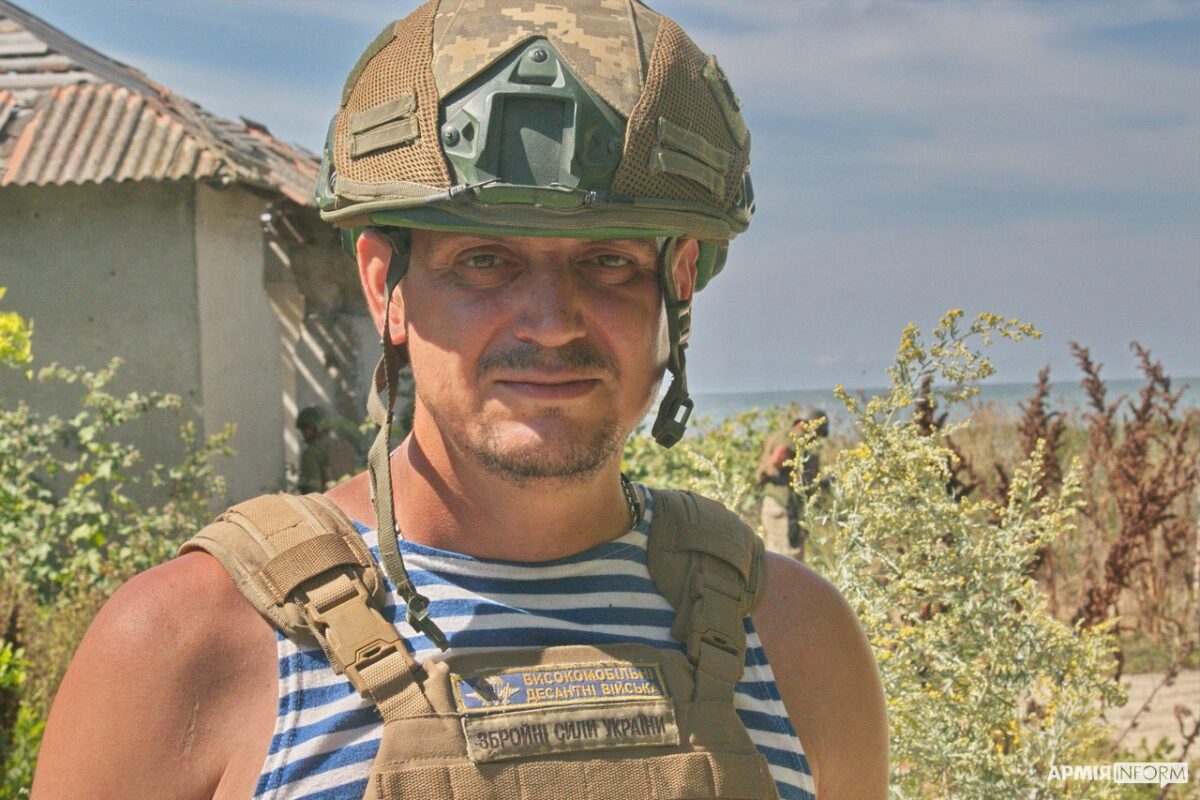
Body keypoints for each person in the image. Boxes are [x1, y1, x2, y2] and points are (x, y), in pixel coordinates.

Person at [31, 3, 887, 798]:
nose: (551, 322)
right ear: (386, 287)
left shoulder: (794, 637)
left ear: (680, 283)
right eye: (484, 261)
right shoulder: (189, 645)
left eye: (609, 262)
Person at [757, 408, 830, 561]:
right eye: (817, 433)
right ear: (809, 425)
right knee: (787, 559)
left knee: (775, 558)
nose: (816, 438)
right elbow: (777, 459)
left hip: (774, 503)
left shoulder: (782, 434)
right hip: (783, 506)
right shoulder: (797, 436)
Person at [295, 405, 360, 494]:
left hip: (326, 500)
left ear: (315, 428)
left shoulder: (311, 452)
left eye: (305, 428)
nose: (303, 433)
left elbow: (313, 489)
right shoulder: (345, 446)